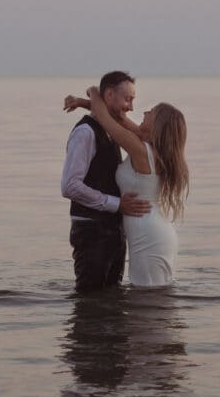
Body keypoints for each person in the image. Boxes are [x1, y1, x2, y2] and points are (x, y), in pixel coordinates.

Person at [67, 85, 189, 287]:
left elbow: (107, 121)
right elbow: (119, 119)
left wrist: (95, 93)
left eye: (153, 112)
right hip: (154, 230)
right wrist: (84, 103)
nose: (145, 111)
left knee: (147, 295)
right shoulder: (151, 149)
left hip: (148, 235)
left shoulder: (141, 150)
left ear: (158, 125)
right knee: (154, 297)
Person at [61, 71, 151, 292]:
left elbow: (131, 127)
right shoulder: (85, 132)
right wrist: (116, 204)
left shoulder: (111, 130)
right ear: (109, 95)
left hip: (112, 229)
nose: (131, 107)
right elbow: (69, 186)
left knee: (111, 302)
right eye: (127, 99)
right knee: (89, 303)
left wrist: (87, 99)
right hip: (91, 230)